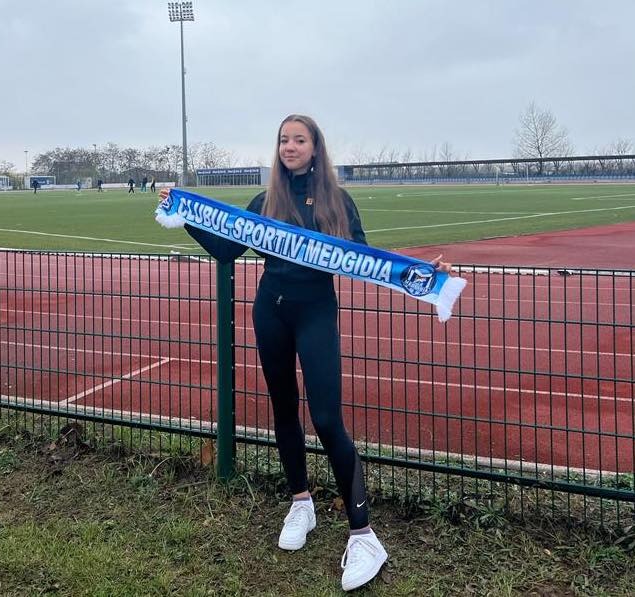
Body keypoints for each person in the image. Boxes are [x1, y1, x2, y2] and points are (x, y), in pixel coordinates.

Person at [159, 114, 453, 591]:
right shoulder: (266, 201)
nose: (290, 146)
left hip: (316, 313)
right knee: (283, 409)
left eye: (299, 139)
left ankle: (364, 535)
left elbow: (367, 259)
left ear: (316, 148)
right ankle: (301, 503)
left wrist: (425, 274)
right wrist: (185, 215)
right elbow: (227, 251)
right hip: (270, 312)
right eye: (283, 140)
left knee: (327, 419)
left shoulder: (337, 200)